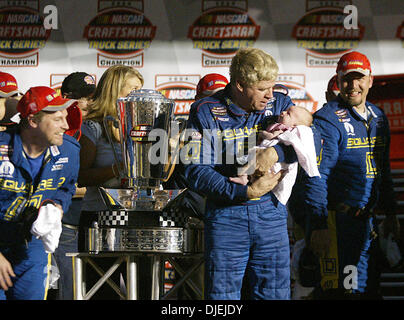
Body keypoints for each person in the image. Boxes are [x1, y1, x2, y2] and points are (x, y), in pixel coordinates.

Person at [182, 47, 297, 300]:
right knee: (223, 297)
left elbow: (313, 140)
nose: (270, 95)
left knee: (274, 294)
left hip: (271, 213)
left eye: (272, 86)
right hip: (227, 214)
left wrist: (276, 153)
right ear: (240, 85)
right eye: (262, 88)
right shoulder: (205, 110)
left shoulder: (281, 103)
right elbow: (194, 169)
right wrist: (244, 191)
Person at [289, 51, 400, 299]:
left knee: (369, 291)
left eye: (359, 78)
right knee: (342, 293)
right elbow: (316, 176)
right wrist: (318, 226)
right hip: (337, 225)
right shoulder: (328, 119)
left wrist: (391, 213)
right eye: (347, 79)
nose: (353, 85)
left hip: (368, 225)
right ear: (338, 82)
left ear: (370, 80)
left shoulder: (379, 117)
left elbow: (383, 169)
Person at [0, 86, 80, 300]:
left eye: (65, 117)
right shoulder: (1, 149)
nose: (66, 125)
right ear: (33, 121)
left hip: (30, 243)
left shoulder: (69, 151)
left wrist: (56, 206)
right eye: (57, 119)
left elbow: (67, 187)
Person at [77, 65, 143, 299]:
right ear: (116, 89)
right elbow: (81, 176)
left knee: (143, 289)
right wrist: (118, 169)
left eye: (140, 89)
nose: (138, 95)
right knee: (103, 292)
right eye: (133, 89)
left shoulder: (142, 126)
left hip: (138, 216)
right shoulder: (92, 125)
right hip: (99, 214)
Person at [53, 72, 96, 300]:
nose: (89, 103)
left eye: (92, 97)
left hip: (94, 224)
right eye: (83, 97)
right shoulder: (57, 131)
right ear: (66, 97)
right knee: (71, 291)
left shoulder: (97, 129)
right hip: (67, 225)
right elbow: (56, 184)